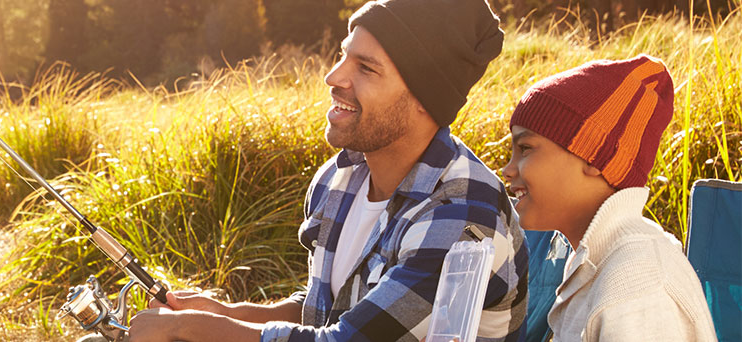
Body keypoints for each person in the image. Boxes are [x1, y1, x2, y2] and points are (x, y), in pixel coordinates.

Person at [123, 0, 528, 341]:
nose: (333, 77)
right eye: (343, 55)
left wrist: (194, 328)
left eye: (366, 68)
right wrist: (224, 310)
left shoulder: (463, 214)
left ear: (427, 99)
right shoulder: (340, 178)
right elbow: (327, 310)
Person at [499, 55, 716, 341]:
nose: (507, 169)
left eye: (525, 148)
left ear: (595, 157)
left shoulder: (637, 284)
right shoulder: (593, 258)